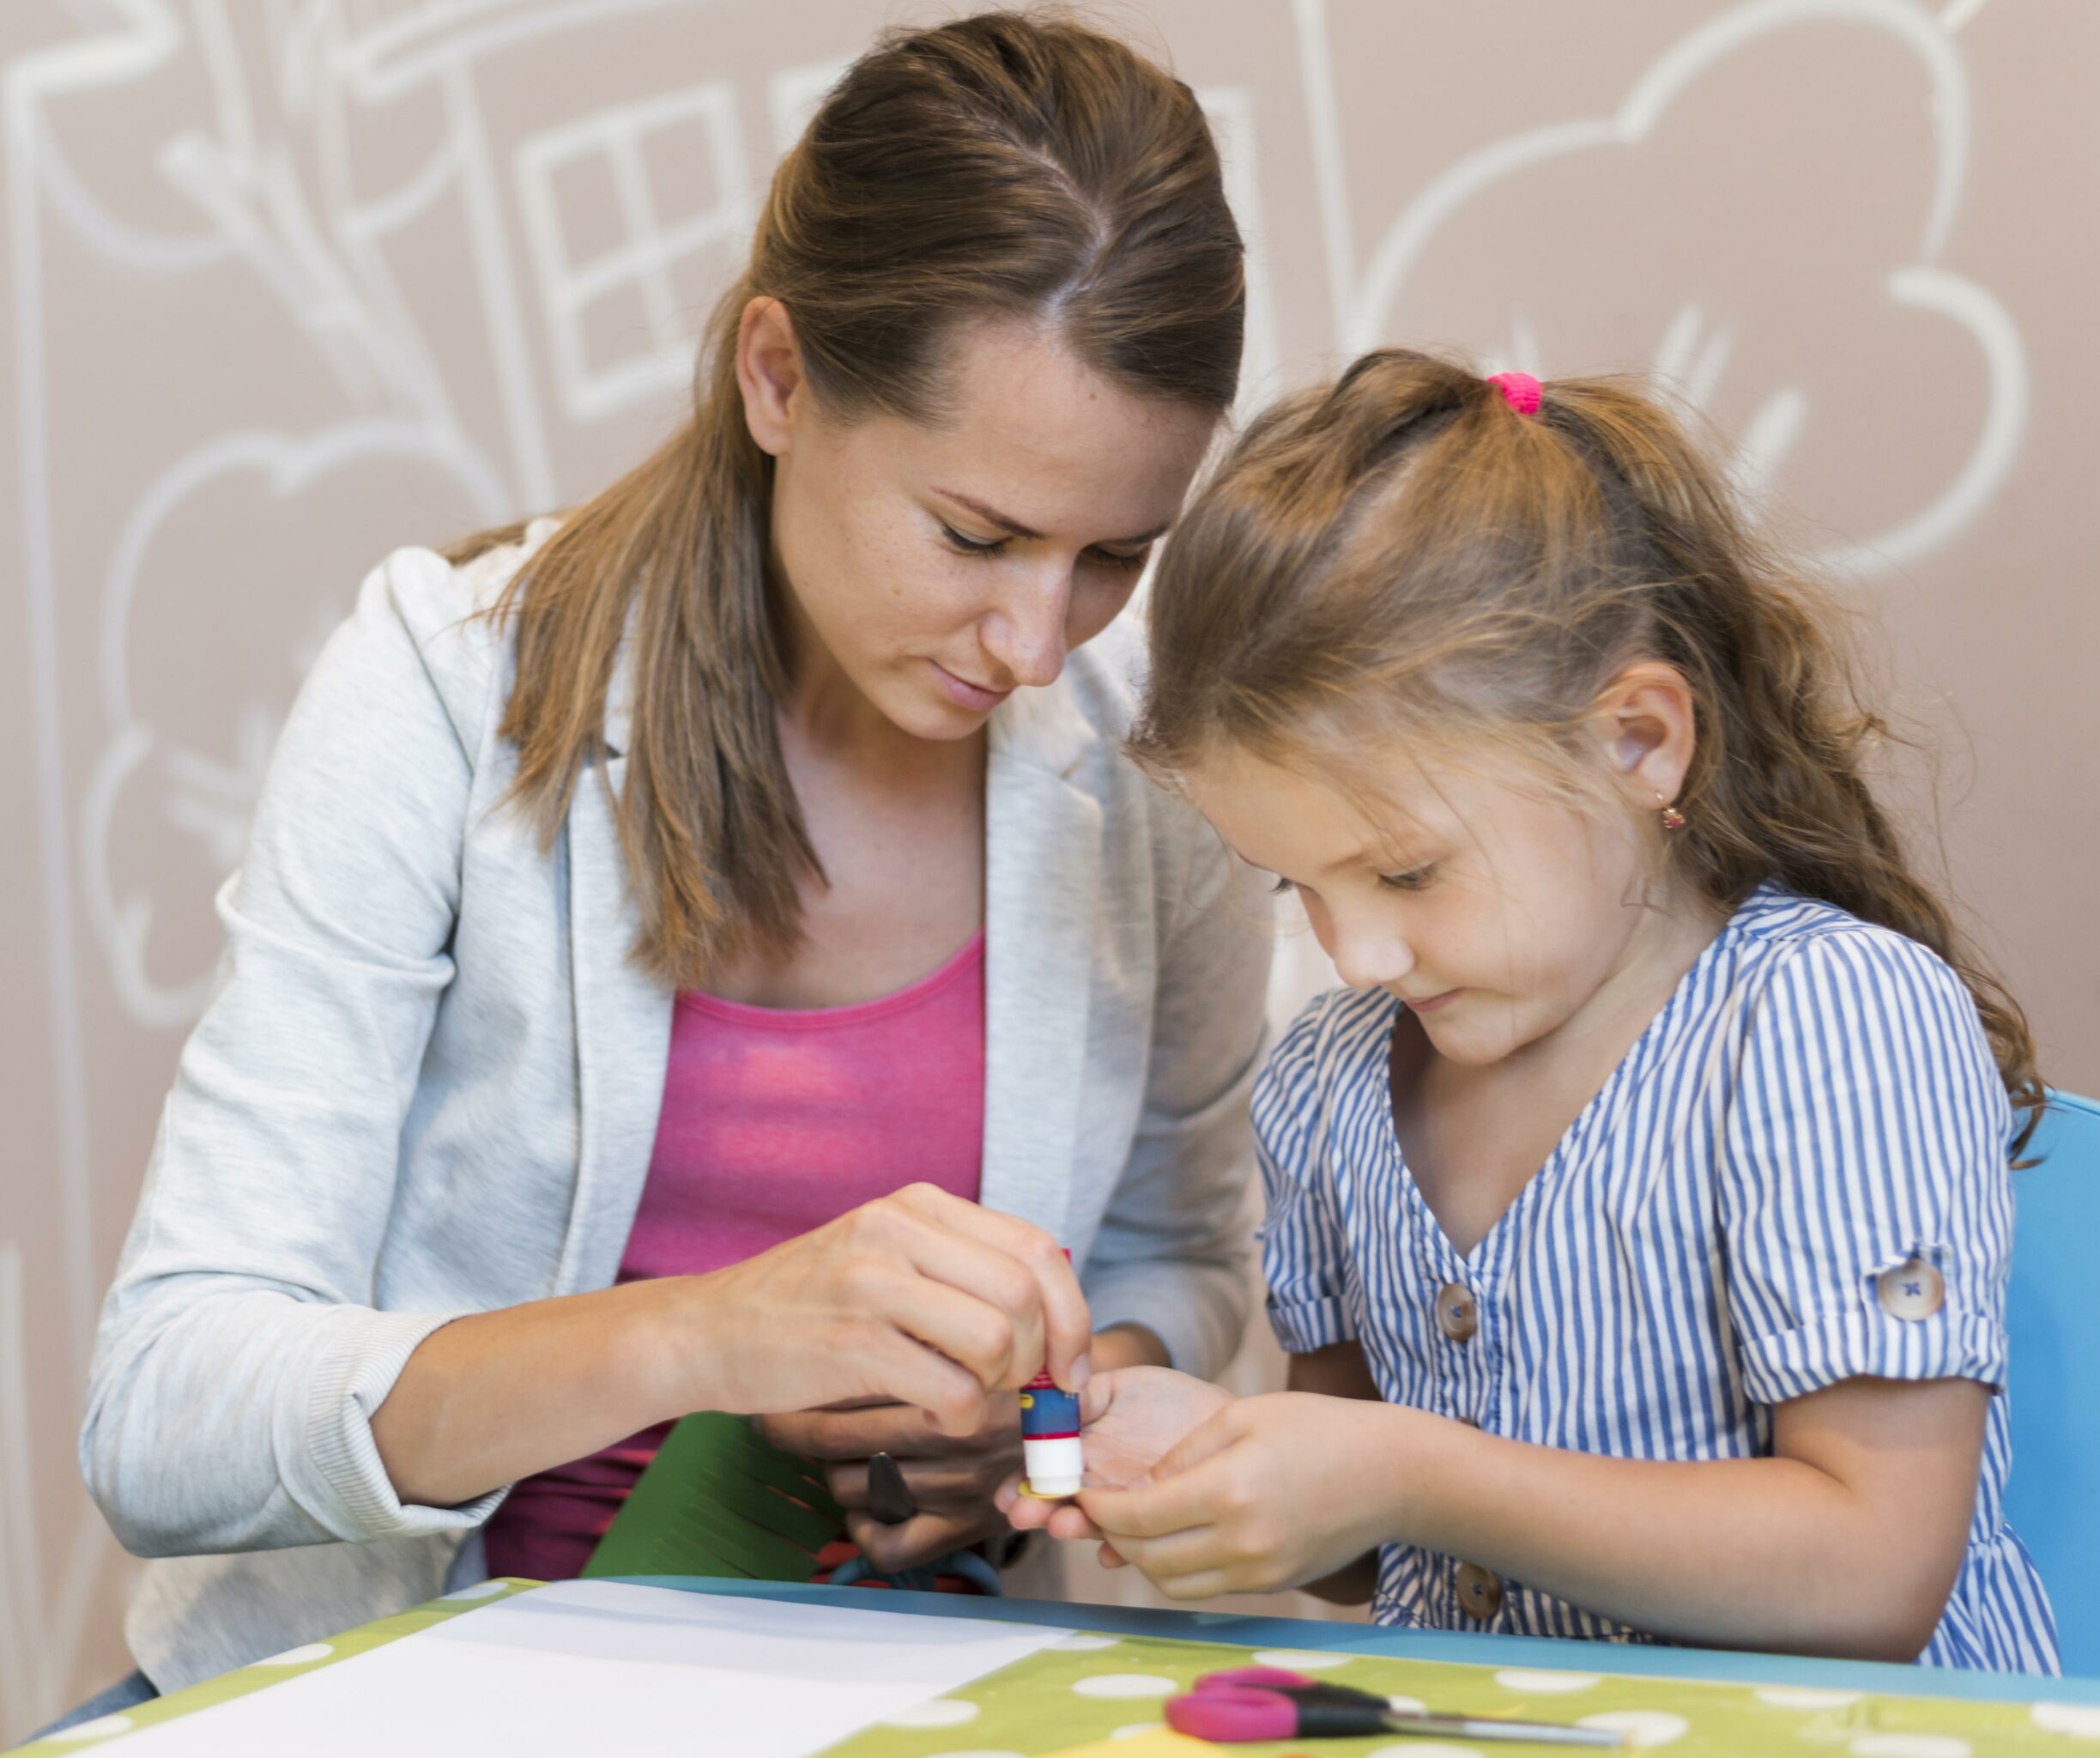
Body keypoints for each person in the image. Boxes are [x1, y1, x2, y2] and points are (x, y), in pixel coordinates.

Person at [78, 11, 1269, 1700]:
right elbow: (166, 1409)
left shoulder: (1147, 764)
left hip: (886, 1692)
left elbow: (1179, 1254)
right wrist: (710, 1336)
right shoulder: (447, 685)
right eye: (974, 535)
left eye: (1108, 557)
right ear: (775, 376)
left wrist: (1034, 1420)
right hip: (397, 1694)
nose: (1030, 642)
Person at [1007, 353, 2060, 1671]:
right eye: (1298, 882)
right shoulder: (1329, 1083)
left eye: (1405, 870)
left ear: (1636, 741)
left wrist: (1410, 1472)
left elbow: (1871, 1570)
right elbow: (1363, 1556)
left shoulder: (1828, 1022)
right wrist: (1210, 1461)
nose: (1361, 950)